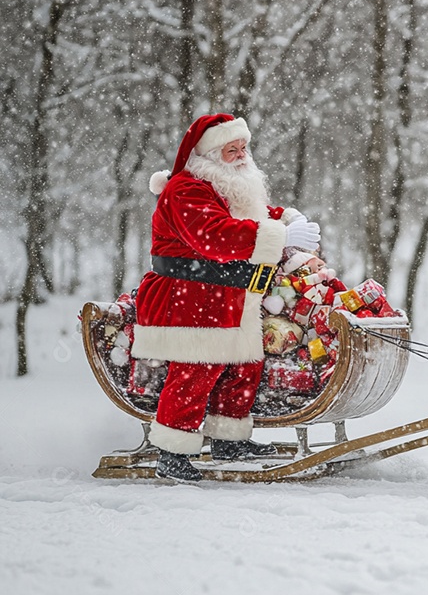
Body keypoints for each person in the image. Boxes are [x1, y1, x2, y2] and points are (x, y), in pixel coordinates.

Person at [132, 113, 321, 481]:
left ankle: (228, 439)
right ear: (208, 157)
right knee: (197, 368)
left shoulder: (226, 186)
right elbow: (215, 235)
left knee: (243, 366)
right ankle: (172, 452)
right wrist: (281, 236)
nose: (240, 156)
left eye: (243, 148)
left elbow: (253, 214)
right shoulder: (185, 189)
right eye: (230, 150)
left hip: (228, 295)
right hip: (188, 295)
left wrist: (288, 219)